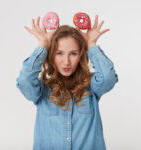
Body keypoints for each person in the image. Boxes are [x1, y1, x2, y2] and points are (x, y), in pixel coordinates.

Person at [16, 14, 118, 150]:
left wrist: (91, 45)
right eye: (59, 53)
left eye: (73, 53)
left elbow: (108, 77)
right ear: (51, 55)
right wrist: (43, 46)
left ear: (81, 55)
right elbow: (24, 80)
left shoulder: (91, 87)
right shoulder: (42, 89)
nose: (66, 62)